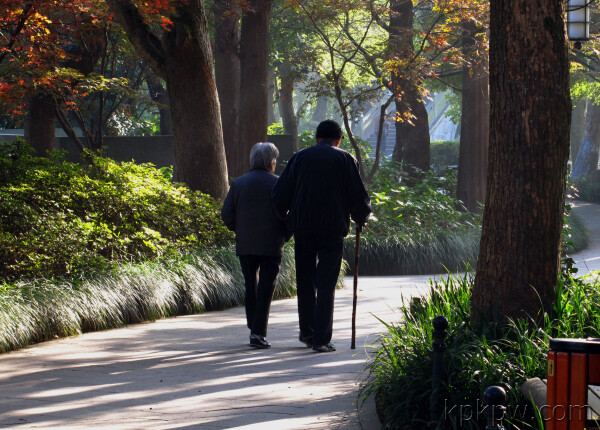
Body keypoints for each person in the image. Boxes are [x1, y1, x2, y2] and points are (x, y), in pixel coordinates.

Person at [272, 120, 371, 353]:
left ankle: (307, 332)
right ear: (338, 140)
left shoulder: (300, 158)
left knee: (305, 281)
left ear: (316, 138)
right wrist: (361, 218)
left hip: (303, 227)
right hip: (332, 228)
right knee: (326, 283)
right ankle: (321, 339)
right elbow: (356, 195)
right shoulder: (345, 159)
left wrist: (286, 218)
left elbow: (280, 194)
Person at [221, 142, 287, 349]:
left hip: (246, 244)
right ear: (272, 162)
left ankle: (253, 327)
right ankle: (258, 333)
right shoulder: (278, 183)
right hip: (271, 244)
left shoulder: (239, 184)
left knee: (251, 285)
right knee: (266, 288)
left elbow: (227, 213)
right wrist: (285, 235)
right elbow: (288, 214)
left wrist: (238, 229)